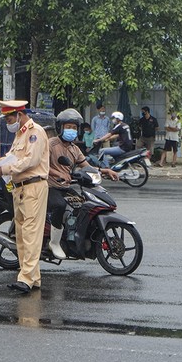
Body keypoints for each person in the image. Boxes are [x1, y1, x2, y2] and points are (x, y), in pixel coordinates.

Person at [0, 100, 50, 294]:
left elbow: (31, 160)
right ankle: (32, 277)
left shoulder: (35, 132)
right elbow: (8, 158)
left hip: (33, 187)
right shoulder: (19, 135)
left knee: (30, 234)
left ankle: (26, 279)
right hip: (19, 189)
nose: (8, 122)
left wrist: (4, 169)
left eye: (10, 118)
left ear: (19, 114)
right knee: (21, 235)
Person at [47, 109, 118, 259]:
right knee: (59, 205)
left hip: (65, 187)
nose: (71, 130)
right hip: (49, 187)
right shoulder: (51, 144)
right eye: (68, 127)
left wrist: (105, 171)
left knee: (83, 206)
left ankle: (71, 238)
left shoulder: (74, 148)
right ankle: (54, 243)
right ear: (60, 127)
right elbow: (41, 166)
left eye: (74, 128)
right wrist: (59, 173)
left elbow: (85, 165)